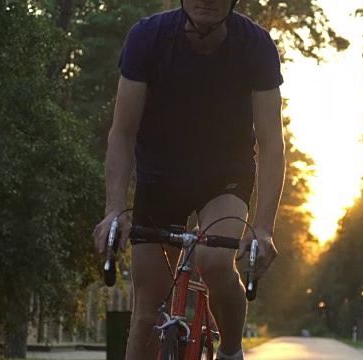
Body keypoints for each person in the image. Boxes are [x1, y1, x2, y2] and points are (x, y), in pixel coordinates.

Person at [92, 0, 285, 358]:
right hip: (159, 176)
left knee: (213, 260)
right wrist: (115, 209)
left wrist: (263, 228)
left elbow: (273, 146)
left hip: (225, 176)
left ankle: (230, 350)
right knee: (148, 309)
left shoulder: (255, 46)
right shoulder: (147, 37)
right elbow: (121, 134)